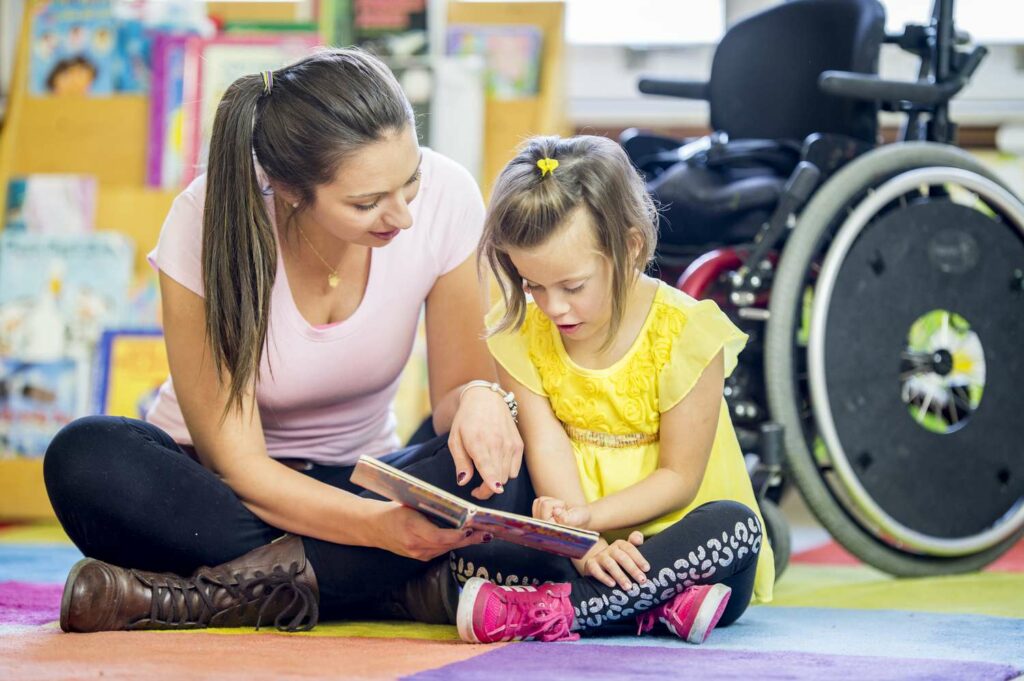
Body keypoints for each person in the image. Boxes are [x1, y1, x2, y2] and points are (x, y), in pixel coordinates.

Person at [42, 48, 526, 633]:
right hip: (221, 496)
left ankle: (209, 596)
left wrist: (481, 397)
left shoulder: (449, 196)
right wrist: (378, 532)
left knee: (503, 469)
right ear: (291, 190)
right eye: (366, 202)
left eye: (410, 181)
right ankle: (374, 583)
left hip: (361, 476)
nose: (401, 216)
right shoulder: (207, 218)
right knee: (86, 457)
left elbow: (455, 398)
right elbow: (241, 467)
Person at [452, 135, 775, 644]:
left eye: (573, 286)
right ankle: (650, 608)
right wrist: (583, 543)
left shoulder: (688, 332)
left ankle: (547, 614)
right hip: (576, 548)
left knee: (737, 529)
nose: (552, 307)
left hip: (680, 545)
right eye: (532, 284)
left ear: (630, 248)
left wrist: (589, 519)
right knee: (478, 529)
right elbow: (546, 444)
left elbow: (679, 477)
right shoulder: (521, 330)